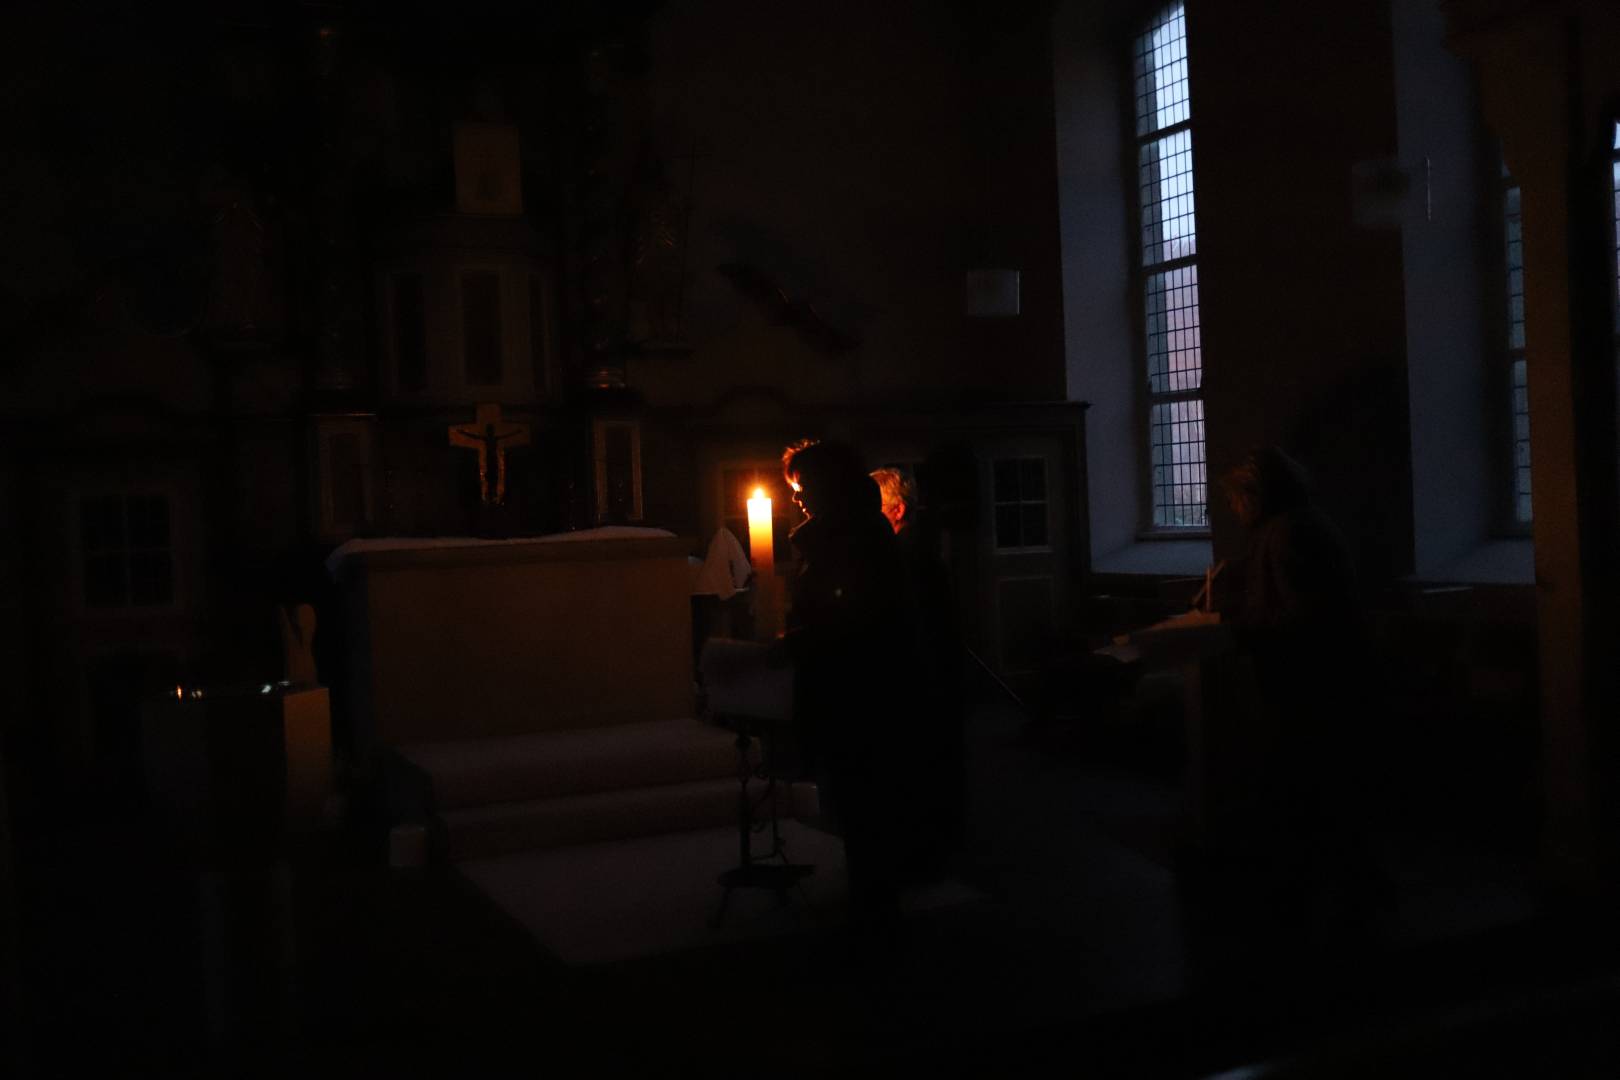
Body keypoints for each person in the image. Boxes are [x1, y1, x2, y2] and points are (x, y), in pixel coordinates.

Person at [776, 440, 909, 935]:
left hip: (861, 690)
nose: (798, 498)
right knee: (855, 802)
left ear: (831, 483)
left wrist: (798, 640)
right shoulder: (842, 535)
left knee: (865, 801)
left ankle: (875, 912)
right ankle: (871, 899)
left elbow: (856, 614)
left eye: (804, 486)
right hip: (850, 685)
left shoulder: (853, 539)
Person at [870, 465, 967, 881]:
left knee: (924, 771)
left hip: (922, 678)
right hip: (928, 675)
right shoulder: (910, 551)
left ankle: (925, 858)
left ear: (897, 509)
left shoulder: (907, 556)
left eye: (874, 508)